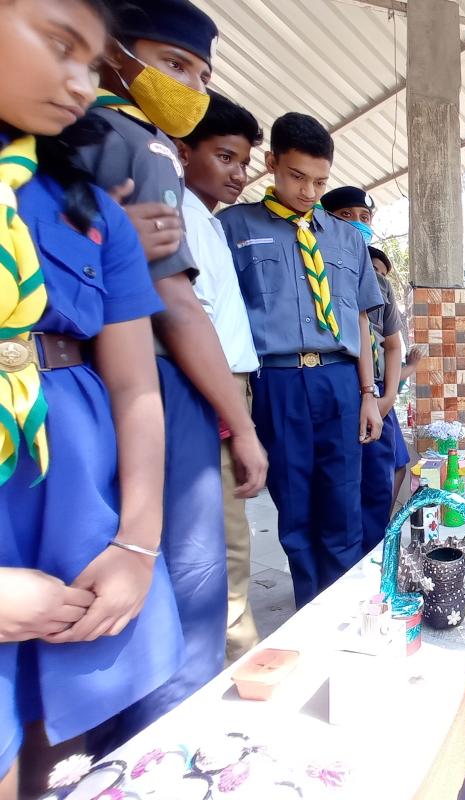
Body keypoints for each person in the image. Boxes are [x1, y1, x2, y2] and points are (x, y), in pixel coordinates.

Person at [67, 0, 268, 755]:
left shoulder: (67, 134)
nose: (188, 85)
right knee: (185, 584)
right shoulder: (133, 139)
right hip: (149, 381)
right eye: (175, 63)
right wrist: (241, 424)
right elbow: (177, 306)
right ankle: (166, 745)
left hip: (91, 381)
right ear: (116, 50)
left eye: (201, 74)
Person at [0, 0, 184, 795]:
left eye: (92, 61)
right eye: (58, 44)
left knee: (51, 714)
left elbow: (135, 384)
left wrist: (137, 545)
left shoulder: (91, 210)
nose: (80, 83)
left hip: (72, 501)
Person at [218, 114, 384, 608]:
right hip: (277, 381)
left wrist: (369, 394)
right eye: (297, 176)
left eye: (319, 181)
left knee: (343, 505)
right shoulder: (233, 227)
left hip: (339, 381)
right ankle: (310, 611)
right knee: (295, 509)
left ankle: (345, 615)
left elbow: (360, 321)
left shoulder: (348, 238)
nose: (309, 191)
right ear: (271, 164)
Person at [175, 92, 263, 664]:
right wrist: (240, 422)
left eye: (243, 162)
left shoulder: (205, 219)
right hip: (213, 389)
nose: (238, 174)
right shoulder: (180, 212)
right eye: (225, 157)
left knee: (229, 532)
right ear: (183, 151)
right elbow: (189, 319)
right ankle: (234, 661)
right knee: (223, 540)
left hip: (232, 386)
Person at [320, 186, 406, 550]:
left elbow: (392, 344)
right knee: (335, 491)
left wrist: (386, 398)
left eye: (364, 217)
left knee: (377, 483)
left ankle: (373, 559)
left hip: (376, 401)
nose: (357, 224)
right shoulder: (316, 270)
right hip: (336, 392)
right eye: (345, 216)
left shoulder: (381, 285)